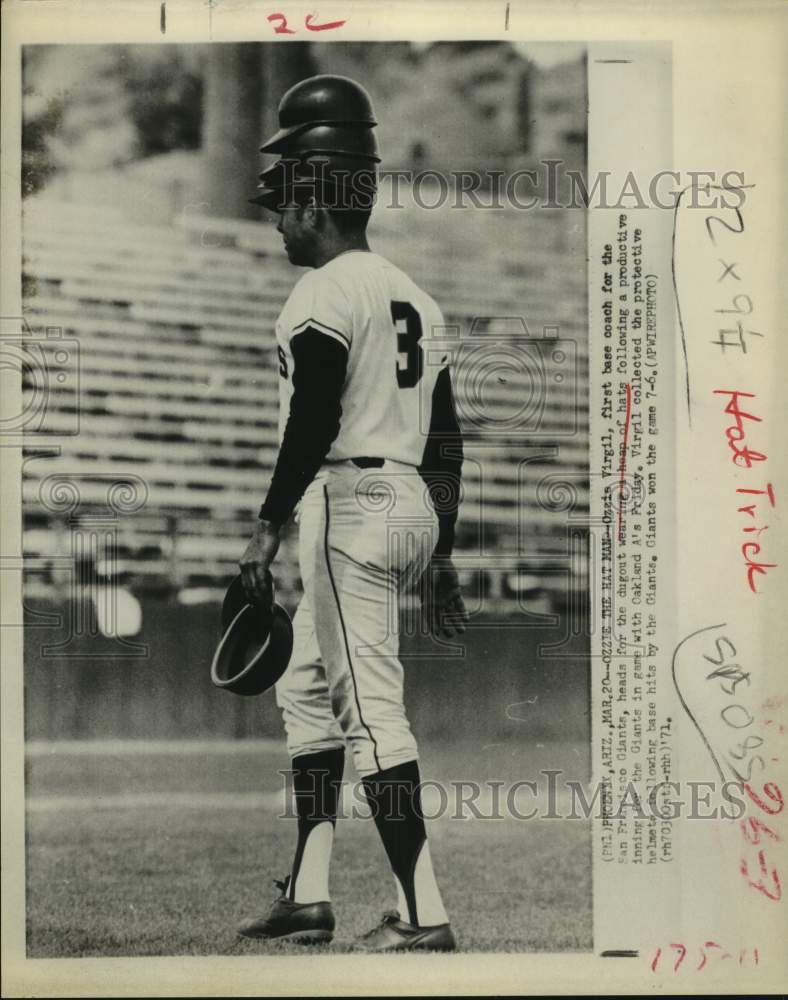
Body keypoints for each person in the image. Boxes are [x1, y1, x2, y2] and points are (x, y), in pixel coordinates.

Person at [237, 75, 467, 952]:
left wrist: (267, 524)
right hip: (407, 503)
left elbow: (314, 417)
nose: (279, 223)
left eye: (284, 206)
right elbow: (445, 442)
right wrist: (441, 555)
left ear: (314, 204)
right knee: (306, 687)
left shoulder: (325, 293)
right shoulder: (420, 298)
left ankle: (422, 913)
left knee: (369, 710)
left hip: (353, 505)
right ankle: (308, 893)